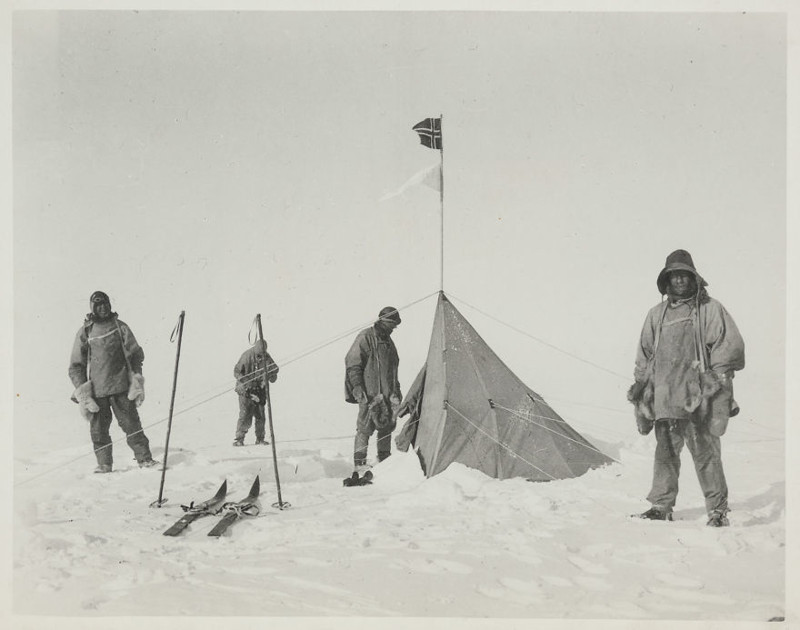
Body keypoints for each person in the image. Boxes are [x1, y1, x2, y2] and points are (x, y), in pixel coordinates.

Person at [628, 250, 745, 527]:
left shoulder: (710, 309)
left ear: (693, 277)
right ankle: (661, 505)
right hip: (665, 398)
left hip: (697, 399)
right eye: (674, 275)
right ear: (666, 281)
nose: (679, 280)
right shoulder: (656, 315)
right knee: (665, 455)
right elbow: (644, 355)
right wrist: (643, 389)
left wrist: (716, 383)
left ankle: (717, 511)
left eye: (683, 274)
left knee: (707, 456)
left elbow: (727, 347)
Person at [68, 291, 158, 473]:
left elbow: (136, 355)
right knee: (98, 432)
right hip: (97, 393)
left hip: (121, 388)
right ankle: (104, 465)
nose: (103, 308)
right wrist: (82, 389)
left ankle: (145, 459)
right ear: (93, 308)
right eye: (98, 305)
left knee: (132, 425)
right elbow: (76, 365)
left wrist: (136, 378)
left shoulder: (120, 327)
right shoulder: (86, 331)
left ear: (110, 305)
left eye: (105, 304)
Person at [344, 306, 403, 469]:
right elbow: (353, 363)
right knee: (364, 427)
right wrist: (357, 386)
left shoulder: (390, 343)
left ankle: (384, 462)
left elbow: (393, 370)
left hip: (387, 394)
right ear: (385, 321)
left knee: (386, 427)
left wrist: (396, 391)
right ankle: (360, 464)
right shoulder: (366, 337)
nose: (394, 328)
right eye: (393, 324)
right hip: (368, 394)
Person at [232, 339, 279, 446]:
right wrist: (244, 381)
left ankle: (260, 438)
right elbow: (236, 371)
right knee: (245, 415)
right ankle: (239, 439)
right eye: (259, 353)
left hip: (259, 390)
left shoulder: (266, 356)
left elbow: (275, 369)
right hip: (245, 390)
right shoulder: (247, 356)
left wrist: (270, 375)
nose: (261, 356)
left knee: (260, 415)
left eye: (263, 353)